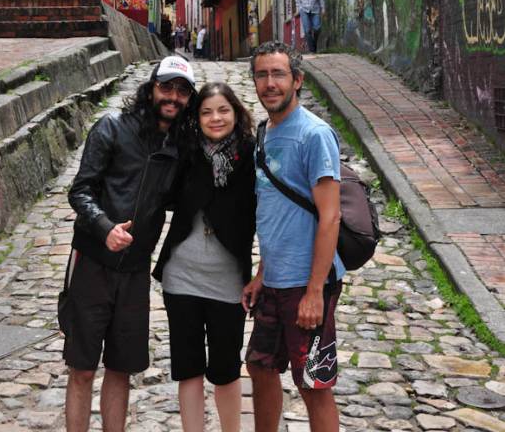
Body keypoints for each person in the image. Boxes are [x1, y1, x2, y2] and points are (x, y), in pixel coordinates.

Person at [61, 56, 196, 432]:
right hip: (92, 263)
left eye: (182, 91)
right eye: (166, 87)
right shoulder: (112, 128)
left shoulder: (181, 147)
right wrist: (104, 227)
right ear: (151, 89)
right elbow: (81, 190)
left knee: (121, 370)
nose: (172, 97)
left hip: (135, 273)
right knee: (83, 368)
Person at [243, 41, 344, 432]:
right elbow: (275, 213)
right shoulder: (264, 133)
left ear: (297, 80)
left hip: (308, 283)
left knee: (314, 384)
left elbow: (330, 215)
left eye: (278, 74)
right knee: (260, 366)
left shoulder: (314, 135)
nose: (270, 83)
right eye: (262, 74)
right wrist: (262, 273)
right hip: (275, 281)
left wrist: (315, 291)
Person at [153, 82, 256, 432]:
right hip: (181, 276)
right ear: (196, 118)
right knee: (188, 367)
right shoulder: (187, 153)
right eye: (206, 111)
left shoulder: (252, 156)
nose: (215, 118)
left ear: (236, 113)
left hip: (229, 280)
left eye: (223, 110)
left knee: (227, 369)